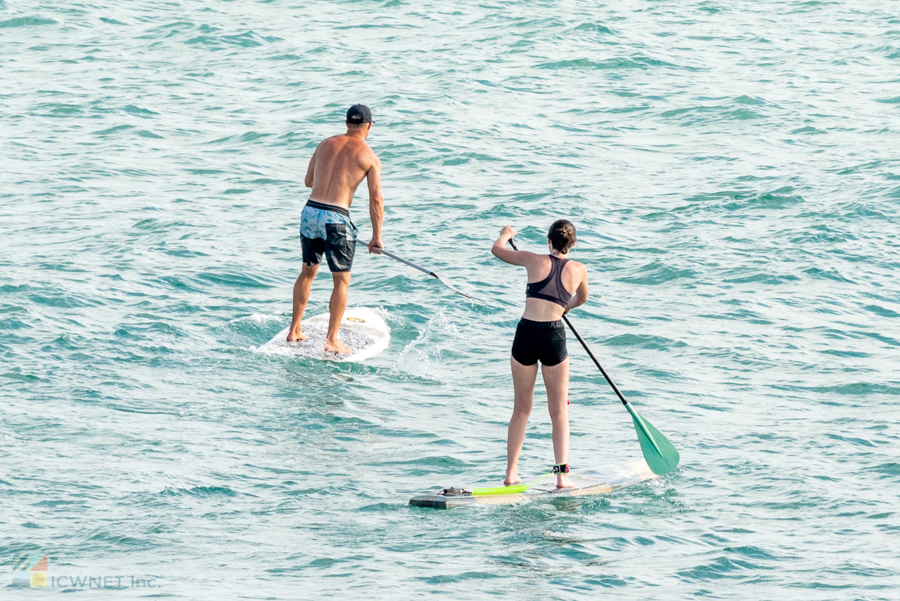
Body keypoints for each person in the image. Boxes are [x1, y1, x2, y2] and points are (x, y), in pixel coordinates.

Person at [491, 221, 589, 488]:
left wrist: (505, 235)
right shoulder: (580, 269)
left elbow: (497, 250)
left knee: (521, 409)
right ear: (573, 244)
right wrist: (564, 308)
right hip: (553, 335)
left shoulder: (532, 260)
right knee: (558, 411)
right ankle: (561, 476)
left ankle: (511, 473)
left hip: (525, 334)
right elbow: (582, 298)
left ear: (549, 241)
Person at [287, 104, 385, 353]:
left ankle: (294, 330)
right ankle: (331, 340)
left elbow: (309, 181)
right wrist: (376, 237)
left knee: (307, 273)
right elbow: (375, 199)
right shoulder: (370, 156)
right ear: (369, 126)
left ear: (346, 124)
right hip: (336, 219)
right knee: (341, 282)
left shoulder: (324, 144)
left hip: (310, 212)